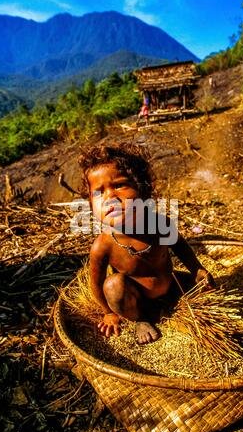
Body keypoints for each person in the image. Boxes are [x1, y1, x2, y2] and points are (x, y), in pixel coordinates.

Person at [78, 145, 215, 344]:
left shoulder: (159, 224)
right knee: (113, 286)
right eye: (98, 193)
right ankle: (140, 319)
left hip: (171, 284)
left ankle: (170, 300)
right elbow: (96, 284)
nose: (109, 198)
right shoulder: (103, 246)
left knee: (209, 287)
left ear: (144, 190)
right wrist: (108, 312)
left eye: (119, 185)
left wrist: (197, 269)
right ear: (91, 206)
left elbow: (180, 246)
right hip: (137, 300)